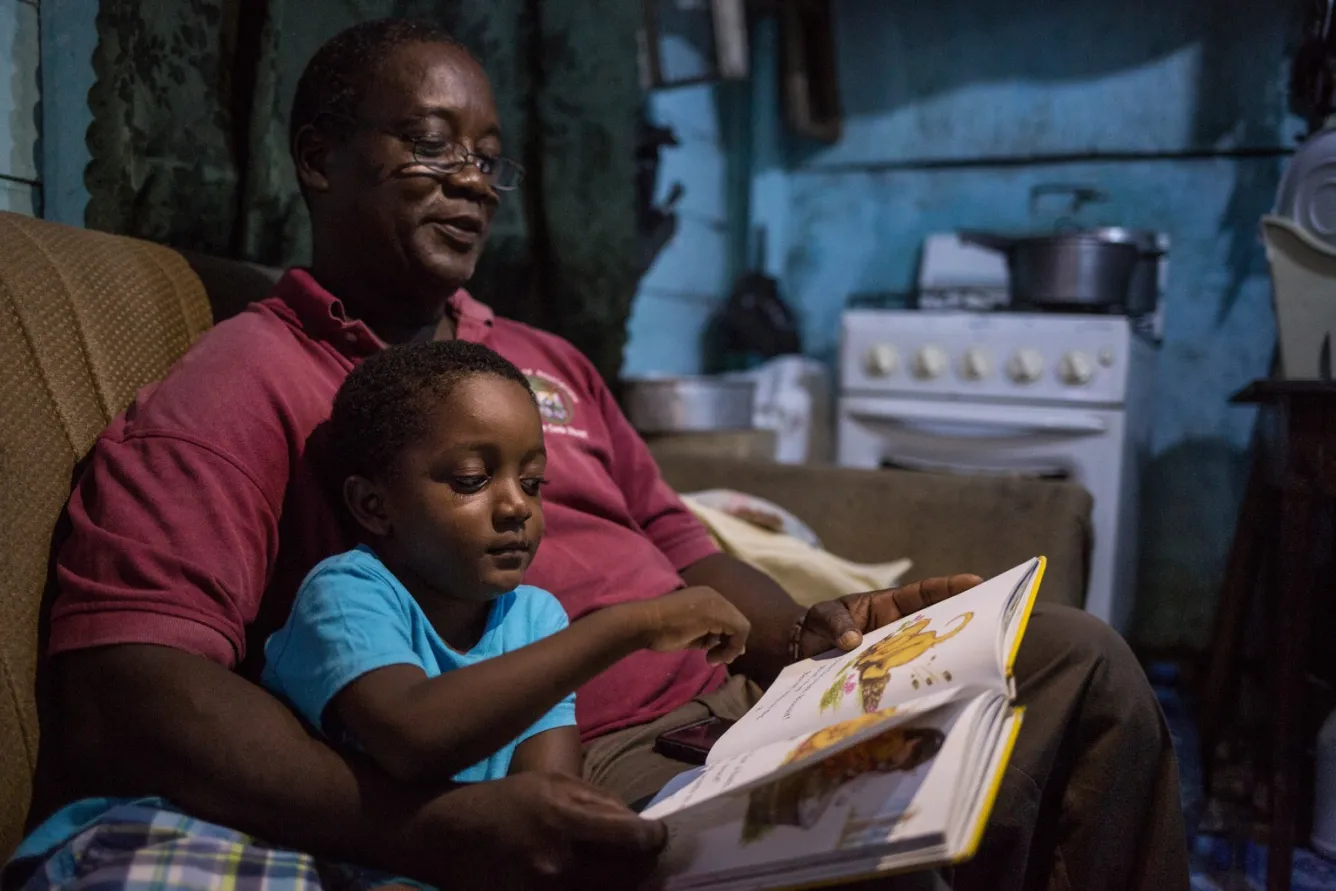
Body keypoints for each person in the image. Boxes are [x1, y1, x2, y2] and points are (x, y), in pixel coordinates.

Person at [7, 17, 1188, 891]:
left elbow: (679, 546)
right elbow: (134, 686)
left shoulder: (542, 359)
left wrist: (818, 637)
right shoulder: (249, 382)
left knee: (1078, 660)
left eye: (486, 155)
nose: (470, 181)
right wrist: (407, 832)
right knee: (868, 855)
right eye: (429, 148)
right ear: (319, 159)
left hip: (752, 696)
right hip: (603, 754)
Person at [261, 340, 748, 888]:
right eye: (472, 479)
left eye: (533, 483)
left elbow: (550, 792)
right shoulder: (345, 593)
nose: (518, 506)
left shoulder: (533, 617)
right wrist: (633, 624)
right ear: (374, 506)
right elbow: (414, 738)